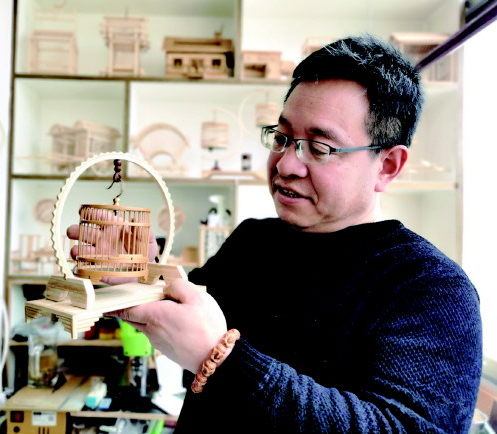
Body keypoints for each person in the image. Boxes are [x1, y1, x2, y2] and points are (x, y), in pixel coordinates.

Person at [68, 34, 482, 433]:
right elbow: (181, 316)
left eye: (319, 148)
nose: (285, 164)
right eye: (282, 138)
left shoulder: (432, 288)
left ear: (387, 165)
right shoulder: (252, 242)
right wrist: (140, 271)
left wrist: (221, 358)